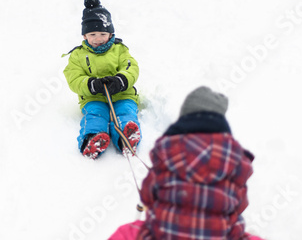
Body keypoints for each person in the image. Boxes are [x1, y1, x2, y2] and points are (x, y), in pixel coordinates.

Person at [109, 86, 265, 240]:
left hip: (163, 233)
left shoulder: (167, 153)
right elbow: (240, 205)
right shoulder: (235, 163)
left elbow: (148, 194)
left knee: (127, 233)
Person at [63, 0, 141, 159]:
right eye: (92, 34)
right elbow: (74, 77)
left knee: (125, 112)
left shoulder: (120, 49)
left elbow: (130, 67)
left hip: (122, 94)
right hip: (94, 98)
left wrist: (120, 81)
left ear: (111, 33)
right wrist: (91, 84)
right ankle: (92, 139)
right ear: (84, 36)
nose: (98, 38)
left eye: (102, 33)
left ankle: (125, 138)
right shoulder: (77, 55)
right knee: (96, 115)